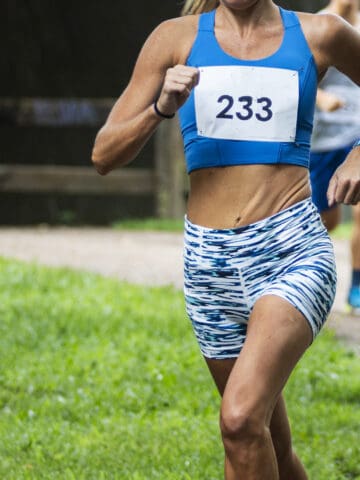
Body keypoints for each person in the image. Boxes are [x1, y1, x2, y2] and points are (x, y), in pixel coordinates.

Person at [92, 0, 360, 478]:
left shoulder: (321, 33)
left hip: (291, 249)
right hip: (208, 264)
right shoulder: (174, 39)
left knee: (238, 420)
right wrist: (160, 108)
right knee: (264, 442)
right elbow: (104, 154)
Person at [310, 0, 360, 311]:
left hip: (357, 133)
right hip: (323, 140)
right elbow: (293, 79)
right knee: (324, 221)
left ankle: (357, 285)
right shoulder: (316, 25)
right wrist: (321, 97)